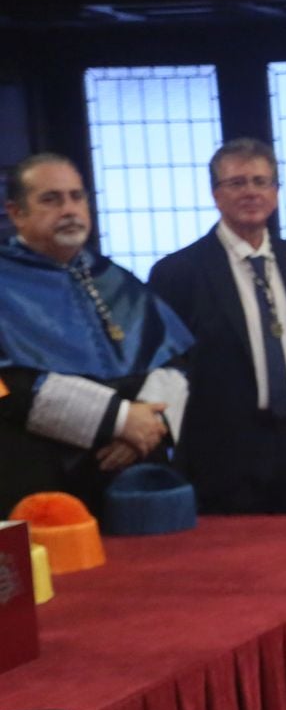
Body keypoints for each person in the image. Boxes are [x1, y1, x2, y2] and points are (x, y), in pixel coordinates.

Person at [0, 153, 193, 513]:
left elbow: (175, 360)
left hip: (132, 475)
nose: (69, 209)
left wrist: (146, 428)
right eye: (51, 199)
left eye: (77, 197)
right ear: (17, 213)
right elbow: (6, 386)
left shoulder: (114, 277)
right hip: (37, 477)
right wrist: (120, 420)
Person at [149, 139, 286, 513]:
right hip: (222, 456)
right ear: (216, 194)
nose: (251, 192)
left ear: (275, 193)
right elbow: (164, 366)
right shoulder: (178, 273)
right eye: (237, 183)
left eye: (261, 182)